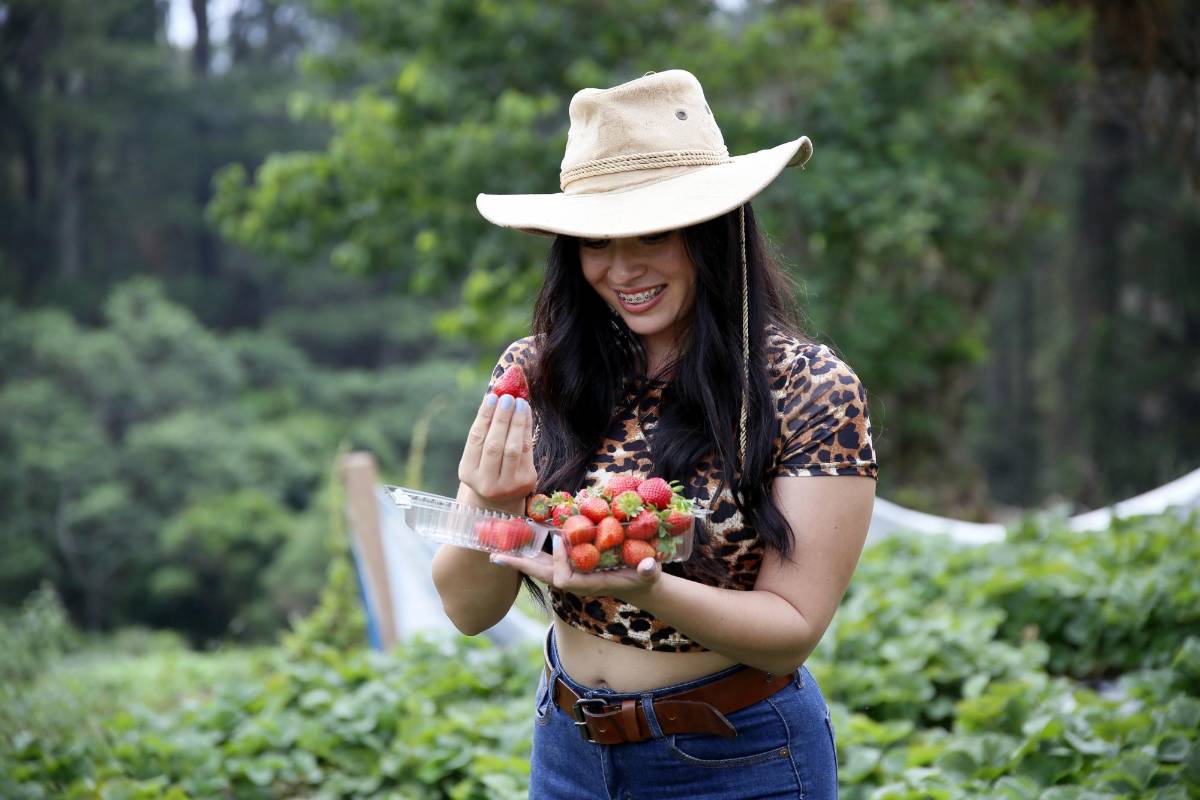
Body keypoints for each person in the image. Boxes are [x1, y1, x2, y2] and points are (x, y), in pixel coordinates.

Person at [431, 69, 877, 800]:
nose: (623, 268)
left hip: (736, 761)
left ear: (712, 233)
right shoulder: (536, 374)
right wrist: (493, 501)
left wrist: (644, 586)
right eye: (597, 242)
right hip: (569, 750)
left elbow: (793, 628)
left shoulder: (809, 388)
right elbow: (467, 609)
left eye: (654, 234)